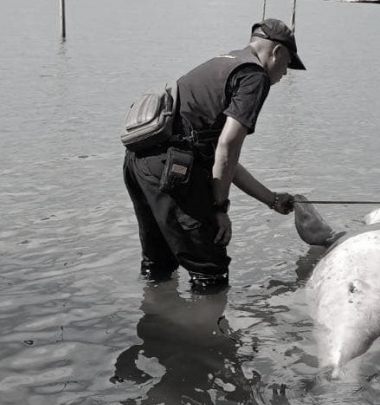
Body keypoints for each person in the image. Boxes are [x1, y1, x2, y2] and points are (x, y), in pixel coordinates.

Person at [123, 19, 302, 291]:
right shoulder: (255, 76)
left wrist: (271, 199)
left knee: (159, 262)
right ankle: (205, 330)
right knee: (211, 270)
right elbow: (227, 149)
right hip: (172, 168)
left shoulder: (224, 62)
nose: (285, 74)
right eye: (288, 63)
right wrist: (219, 209)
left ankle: (155, 319)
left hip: (140, 163)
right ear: (277, 52)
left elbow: (222, 157)